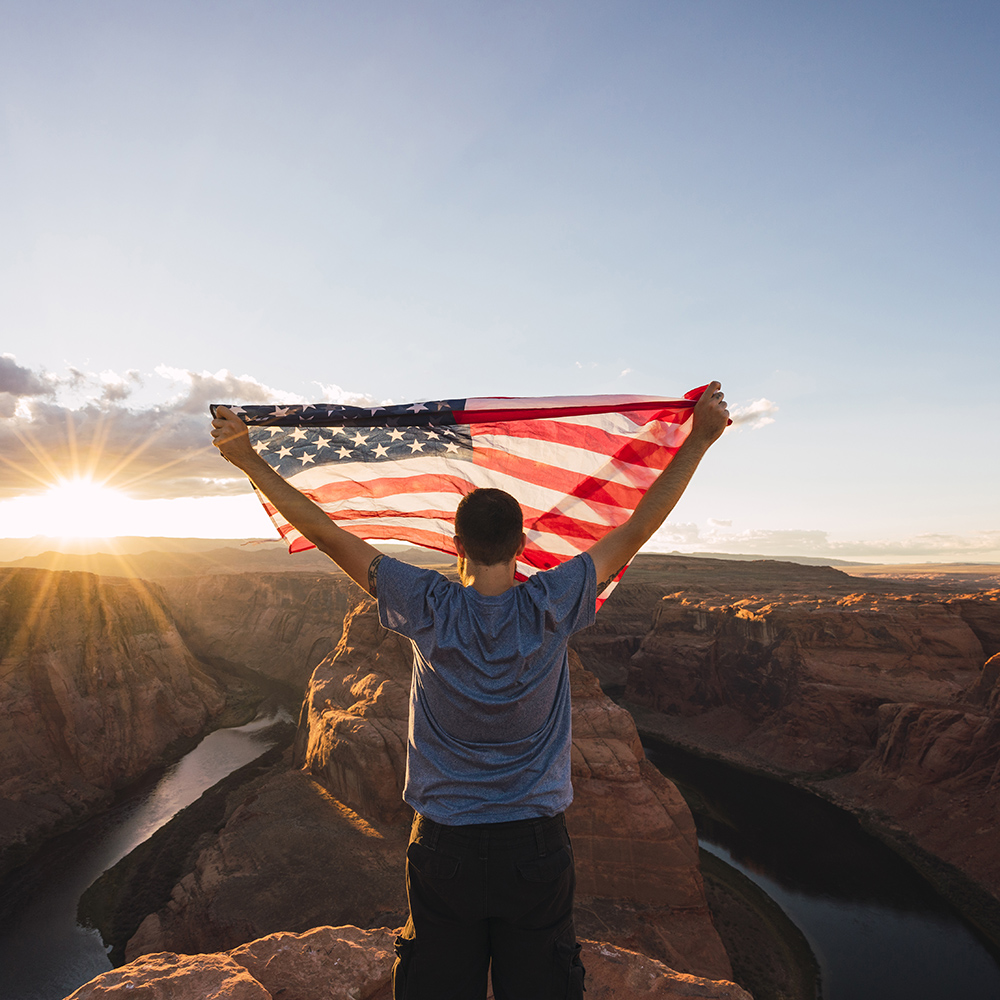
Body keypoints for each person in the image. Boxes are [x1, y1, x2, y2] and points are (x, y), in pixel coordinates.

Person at [211, 382, 730, 1000]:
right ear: (523, 547)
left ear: (456, 545)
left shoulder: (426, 605)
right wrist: (697, 440)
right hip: (534, 849)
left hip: (444, 846)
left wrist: (249, 459)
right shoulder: (553, 603)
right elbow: (641, 524)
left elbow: (327, 534)